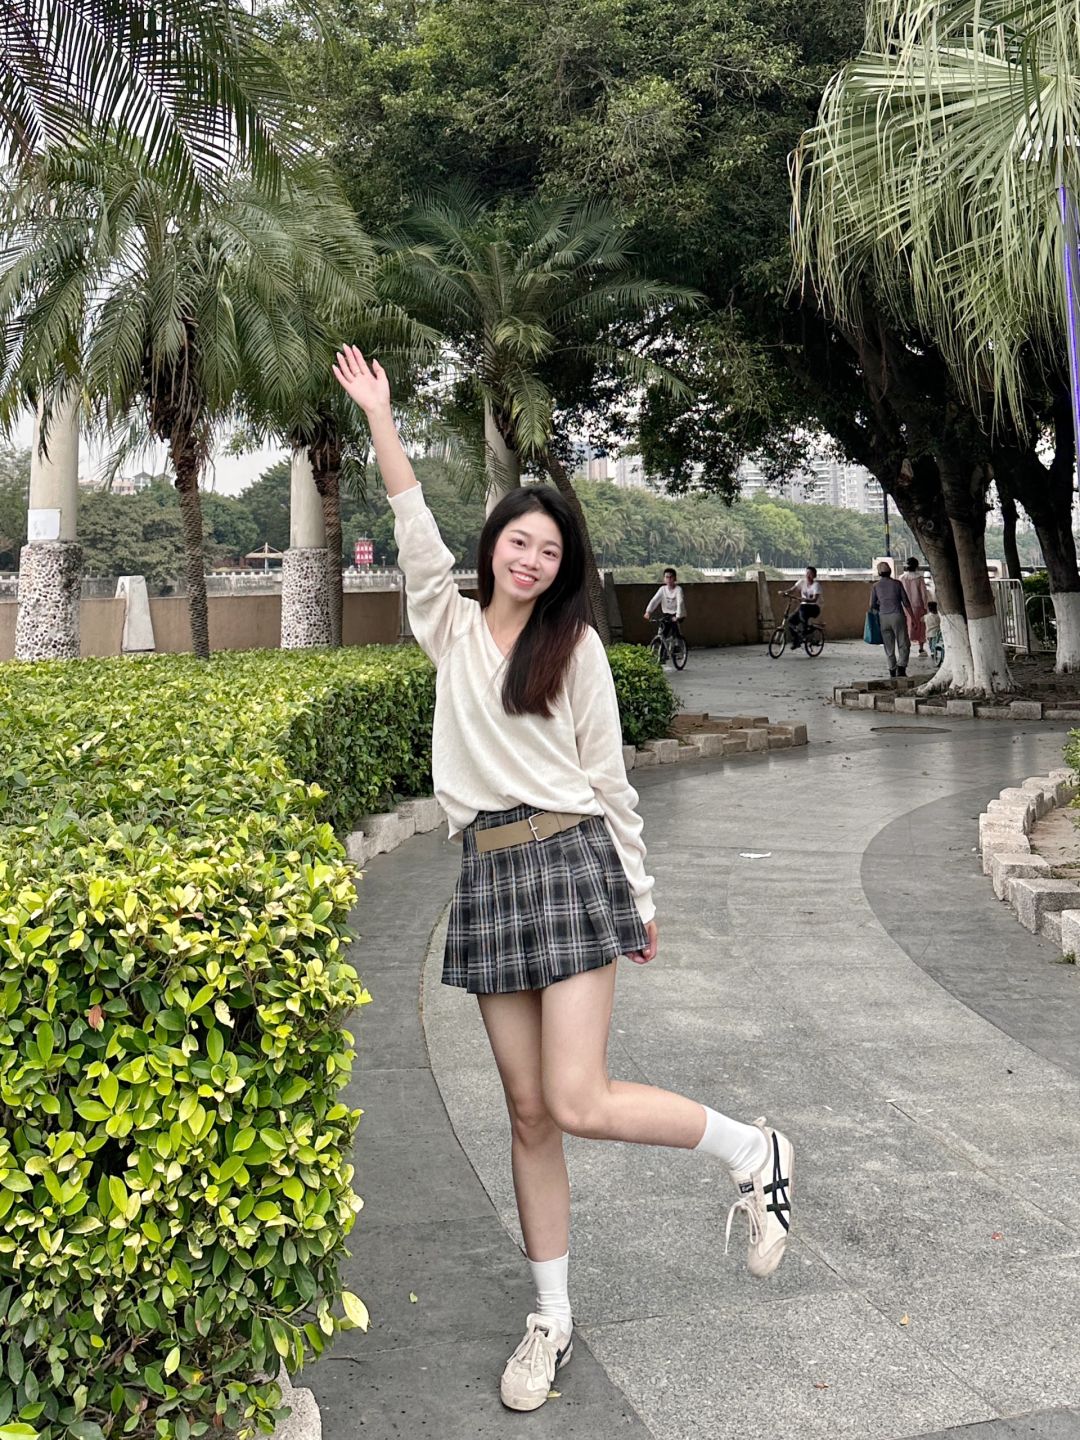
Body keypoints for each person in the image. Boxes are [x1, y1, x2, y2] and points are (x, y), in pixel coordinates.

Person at [333, 344, 795, 1416]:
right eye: (519, 542)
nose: (532, 560)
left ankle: (753, 1151)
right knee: (529, 1112)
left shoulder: (575, 650)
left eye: (550, 550)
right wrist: (382, 420)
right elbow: (410, 525)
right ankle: (551, 1318)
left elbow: (610, 780)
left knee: (579, 1098)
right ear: (493, 548)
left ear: (563, 565)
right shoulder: (450, 628)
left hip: (572, 864)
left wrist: (640, 898)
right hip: (488, 882)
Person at [871, 561, 913, 676]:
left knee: (888, 646)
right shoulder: (897, 584)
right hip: (897, 616)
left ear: (879, 573)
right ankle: (901, 667)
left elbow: (872, 605)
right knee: (903, 643)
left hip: (883, 618)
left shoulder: (875, 586)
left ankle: (892, 669)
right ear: (890, 571)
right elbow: (906, 602)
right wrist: (913, 617)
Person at [644, 567, 686, 645]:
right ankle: (663, 649)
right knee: (663, 631)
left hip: (677, 613)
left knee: (674, 629)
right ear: (664, 579)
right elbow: (655, 600)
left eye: (671, 577)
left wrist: (677, 616)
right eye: (667, 577)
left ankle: (677, 645)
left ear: (675, 578)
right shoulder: (662, 589)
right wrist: (648, 612)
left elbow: (680, 602)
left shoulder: (678, 589)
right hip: (667, 613)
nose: (669, 579)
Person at [784, 566, 822, 650]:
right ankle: (796, 640)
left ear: (814, 575)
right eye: (807, 573)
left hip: (814, 607)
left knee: (802, 609)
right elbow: (792, 590)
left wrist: (805, 600)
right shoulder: (802, 582)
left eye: (810, 574)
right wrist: (784, 592)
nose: (808, 575)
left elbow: (814, 599)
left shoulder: (816, 585)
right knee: (790, 621)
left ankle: (805, 629)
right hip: (803, 607)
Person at [900, 556, 930, 656]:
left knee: (906, 626)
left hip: (905, 607)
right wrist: (925, 606)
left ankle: (905, 647)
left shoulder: (902, 578)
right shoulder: (919, 578)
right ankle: (921, 648)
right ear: (917, 566)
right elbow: (924, 594)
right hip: (918, 606)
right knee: (920, 627)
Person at [925, 600, 944, 666]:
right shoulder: (939, 616)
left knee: (931, 644)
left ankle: (933, 653)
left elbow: (921, 620)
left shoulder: (926, 616)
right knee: (935, 643)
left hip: (929, 634)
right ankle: (935, 653)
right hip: (937, 633)